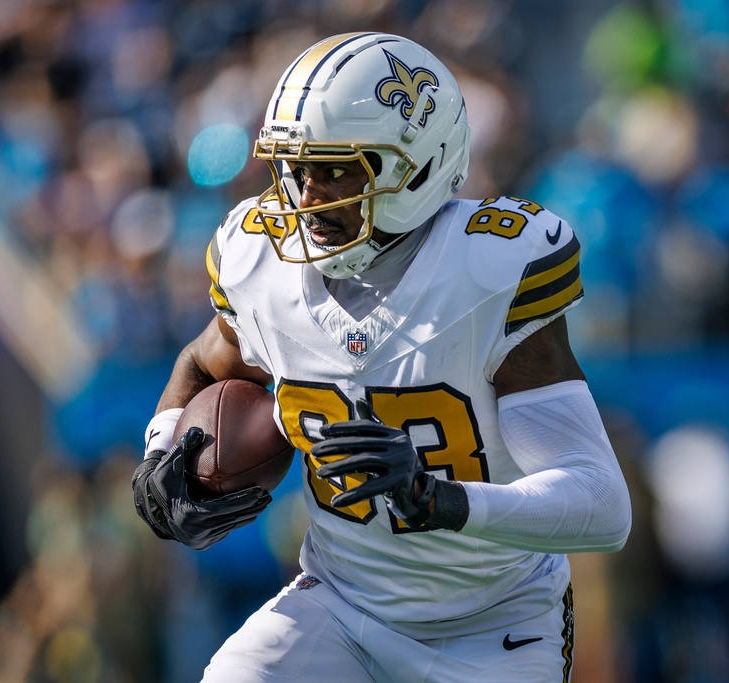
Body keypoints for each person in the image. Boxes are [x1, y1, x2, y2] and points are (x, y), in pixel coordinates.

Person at [132, 32, 632, 682]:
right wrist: (161, 453)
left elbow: (601, 504)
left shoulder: (486, 272)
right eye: (295, 168)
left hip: (490, 622)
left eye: (335, 168)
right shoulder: (263, 266)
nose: (307, 198)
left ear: (416, 165)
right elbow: (204, 361)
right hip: (341, 602)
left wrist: (441, 498)